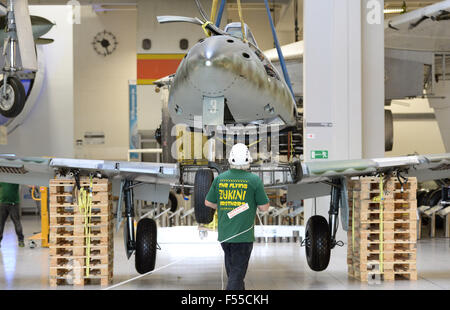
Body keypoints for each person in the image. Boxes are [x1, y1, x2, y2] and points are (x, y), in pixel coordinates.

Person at [205, 143, 269, 290]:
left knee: (235, 274)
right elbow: (264, 208)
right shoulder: (254, 180)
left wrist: (222, 205)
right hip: (243, 236)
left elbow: (208, 202)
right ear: (248, 159)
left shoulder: (220, 179)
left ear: (230, 159)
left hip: (225, 236)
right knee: (236, 276)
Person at [0, 182, 24, 248]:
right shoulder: (2, 179)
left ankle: (21, 240)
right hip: (3, 203)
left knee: (17, 223)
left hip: (13, 204)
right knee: (1, 223)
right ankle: (21, 241)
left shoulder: (14, 178)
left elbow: (24, 180)